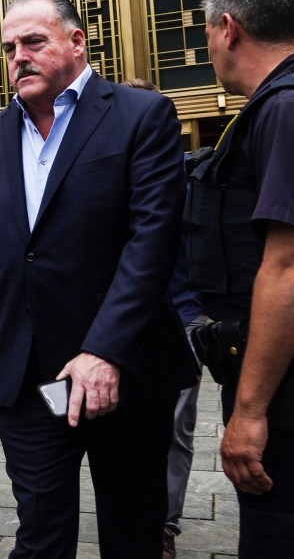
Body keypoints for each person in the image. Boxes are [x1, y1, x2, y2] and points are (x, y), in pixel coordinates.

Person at [0, 0, 197, 558]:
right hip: (31, 377)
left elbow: (152, 242)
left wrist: (106, 350)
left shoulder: (140, 115)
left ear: (77, 41)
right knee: (40, 532)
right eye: (9, 48)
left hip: (124, 373)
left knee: (132, 529)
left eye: (33, 42)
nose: (19, 57)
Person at [187, 0, 294, 555]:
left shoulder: (287, 108)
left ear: (227, 28)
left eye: (205, 31)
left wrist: (249, 411)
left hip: (293, 407)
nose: (206, 46)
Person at [121, 78, 209, 559]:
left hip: (179, 321)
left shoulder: (190, 176)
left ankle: (163, 525)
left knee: (174, 429)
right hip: (114, 326)